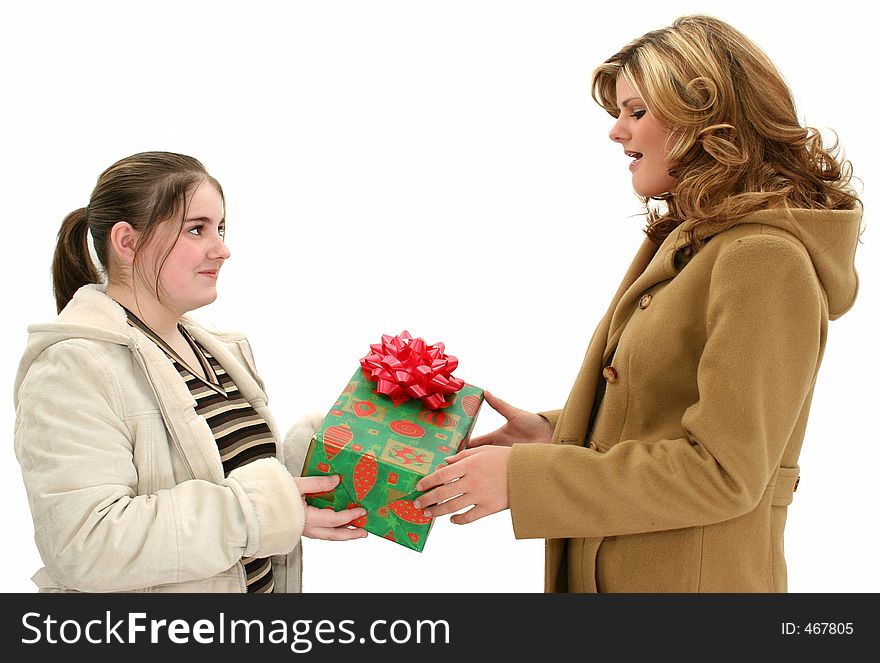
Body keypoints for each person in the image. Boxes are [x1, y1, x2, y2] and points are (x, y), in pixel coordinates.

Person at [414, 15, 862, 592]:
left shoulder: (762, 259)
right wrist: (560, 434)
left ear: (706, 118)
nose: (616, 132)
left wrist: (526, 480)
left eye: (637, 112)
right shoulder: (695, 238)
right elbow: (666, 408)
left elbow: (724, 471)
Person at [13, 151, 366, 593]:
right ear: (127, 242)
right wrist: (259, 511)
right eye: (196, 230)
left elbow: (240, 482)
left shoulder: (220, 351)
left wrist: (335, 445)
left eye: (220, 229)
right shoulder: (73, 368)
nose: (222, 249)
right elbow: (85, 544)